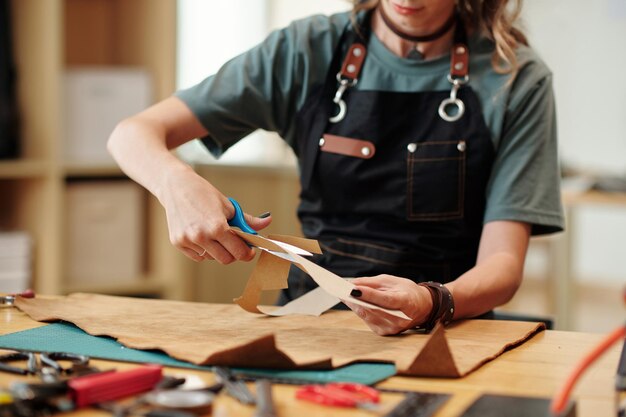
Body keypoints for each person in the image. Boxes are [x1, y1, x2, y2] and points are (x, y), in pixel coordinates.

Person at [107, 0, 563, 336]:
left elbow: (503, 265)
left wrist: (431, 300)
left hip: (448, 324)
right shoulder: (306, 50)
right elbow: (131, 134)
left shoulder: (516, 78)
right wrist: (176, 181)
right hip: (310, 319)